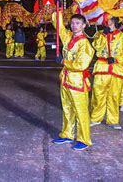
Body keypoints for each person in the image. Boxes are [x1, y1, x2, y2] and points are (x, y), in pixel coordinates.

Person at [51, 12, 94, 151]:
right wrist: (57, 11)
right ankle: (67, 134)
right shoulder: (69, 38)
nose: (74, 26)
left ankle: (84, 139)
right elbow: (60, 27)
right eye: (73, 23)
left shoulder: (85, 43)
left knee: (81, 111)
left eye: (77, 23)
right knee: (67, 109)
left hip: (77, 82)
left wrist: (64, 61)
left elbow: (81, 64)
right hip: (66, 80)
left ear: (83, 25)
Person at [90, 16, 123, 130]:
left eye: (108, 19)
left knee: (114, 95)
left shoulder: (122, 37)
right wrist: (103, 36)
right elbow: (96, 46)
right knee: (98, 94)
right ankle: (95, 118)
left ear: (114, 21)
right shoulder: (101, 34)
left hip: (116, 69)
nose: (106, 21)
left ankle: (113, 120)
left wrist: (117, 60)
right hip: (102, 68)